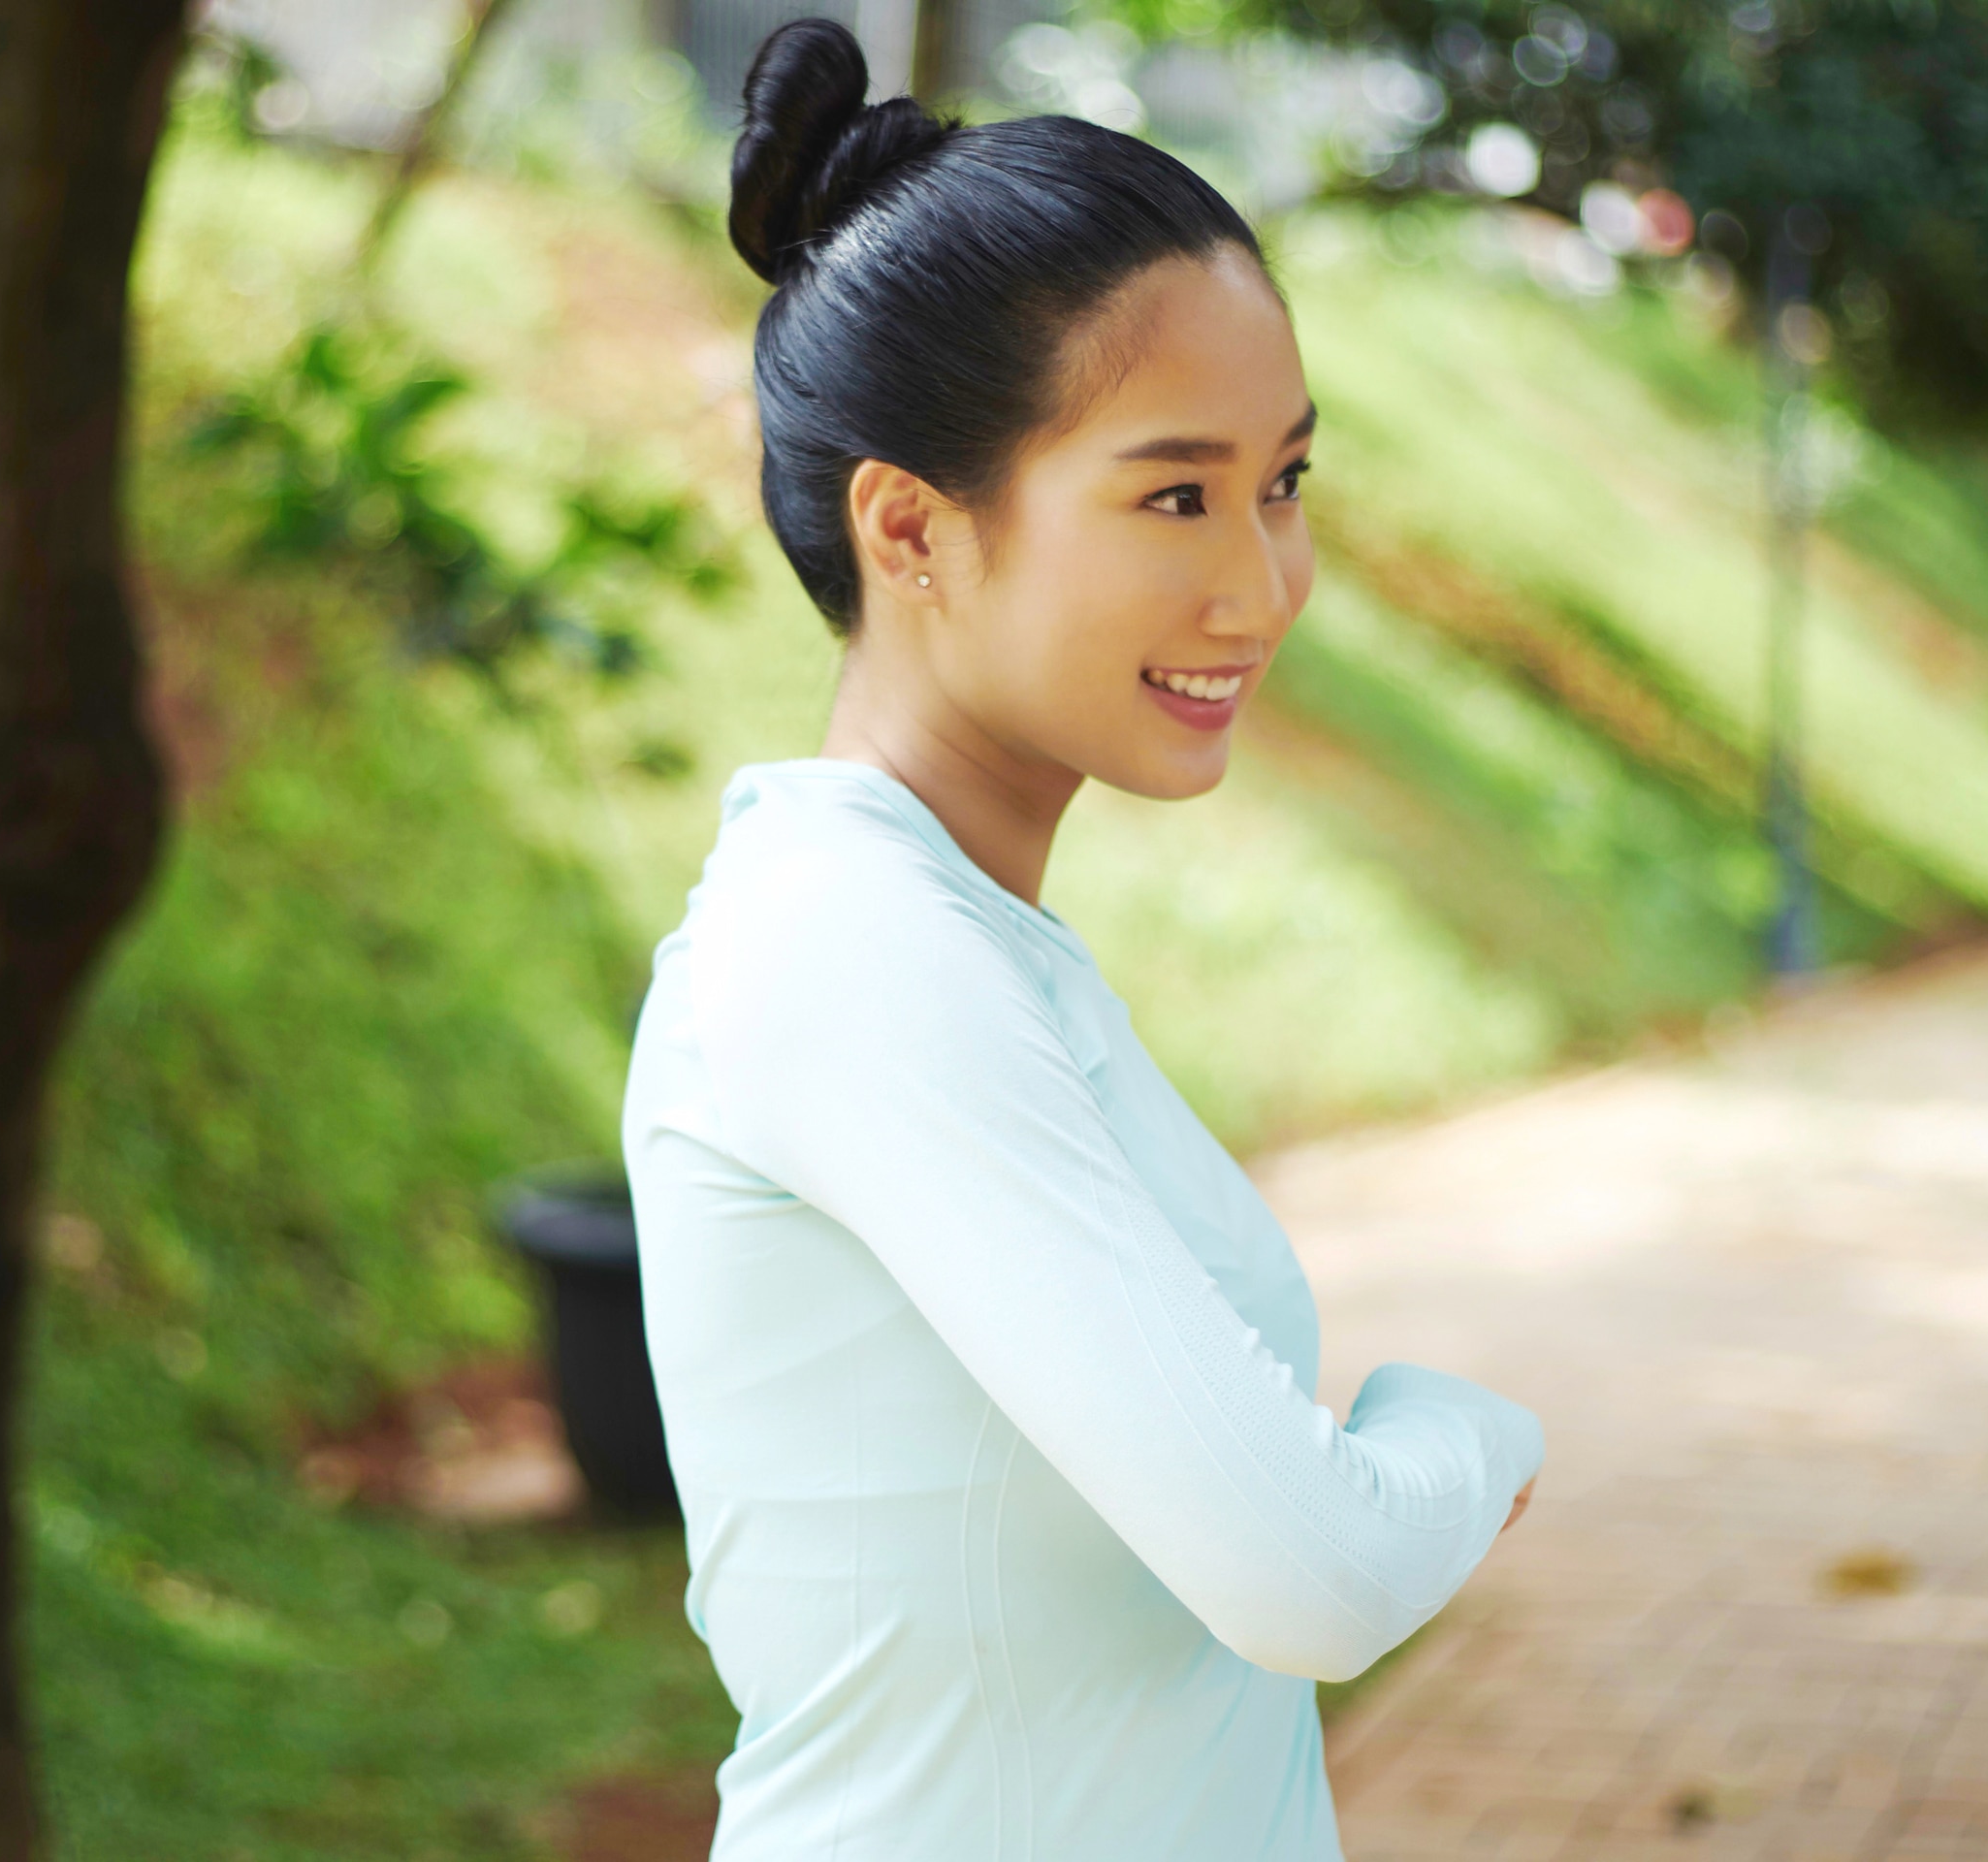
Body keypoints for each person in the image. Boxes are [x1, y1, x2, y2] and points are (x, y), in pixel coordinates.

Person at [617, 18, 1543, 1857]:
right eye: (1173, 494)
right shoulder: (849, 951)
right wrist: (1467, 1431)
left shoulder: (955, 938)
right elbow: (1310, 1570)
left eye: (1283, 484)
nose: (1260, 583)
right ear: (913, 529)